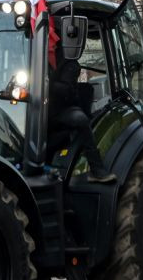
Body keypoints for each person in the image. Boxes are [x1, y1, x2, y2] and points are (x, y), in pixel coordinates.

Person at [48, 45, 115, 184]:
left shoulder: (69, 62)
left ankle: (96, 169)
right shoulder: (32, 54)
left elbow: (67, 91)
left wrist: (47, 84)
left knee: (80, 119)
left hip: (62, 108)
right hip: (38, 107)